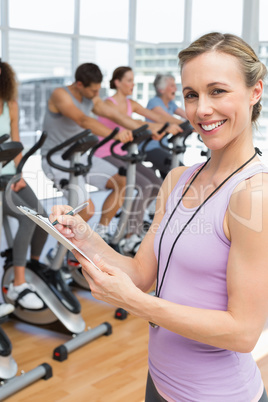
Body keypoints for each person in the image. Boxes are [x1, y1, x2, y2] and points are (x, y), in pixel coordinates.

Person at [50, 32, 268, 401]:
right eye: (191, 94)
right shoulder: (177, 179)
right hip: (160, 382)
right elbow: (140, 273)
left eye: (218, 91)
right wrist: (85, 237)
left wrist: (136, 303)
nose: (201, 110)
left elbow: (243, 332)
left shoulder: (254, 195)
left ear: (254, 92)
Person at [41, 63, 172, 240]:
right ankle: (61, 254)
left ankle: (102, 234)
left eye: (98, 90)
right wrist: (116, 134)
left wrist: (149, 130)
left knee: (123, 182)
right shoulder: (60, 94)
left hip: (80, 156)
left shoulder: (91, 98)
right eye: (93, 91)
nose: (97, 95)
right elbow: (83, 120)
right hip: (57, 159)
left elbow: (117, 117)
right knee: (86, 210)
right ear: (79, 84)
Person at [96, 66, 183, 254]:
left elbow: (154, 117)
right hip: (106, 152)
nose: (132, 84)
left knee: (156, 183)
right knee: (143, 185)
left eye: (133, 81)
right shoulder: (108, 104)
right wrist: (157, 128)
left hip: (123, 152)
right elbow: (133, 124)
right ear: (117, 82)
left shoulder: (131, 103)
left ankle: (134, 228)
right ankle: (130, 235)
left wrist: (166, 126)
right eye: (128, 80)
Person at [0, 60, 46, 310]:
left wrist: (19, 174)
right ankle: (18, 284)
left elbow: (16, 144)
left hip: (10, 175)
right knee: (28, 218)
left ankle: (34, 266)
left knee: (43, 217)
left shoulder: (11, 105)